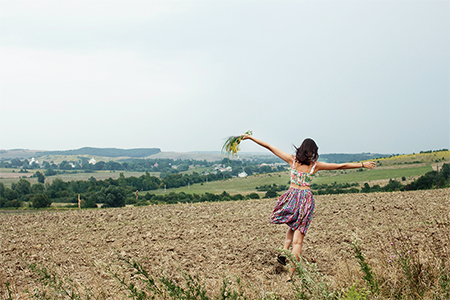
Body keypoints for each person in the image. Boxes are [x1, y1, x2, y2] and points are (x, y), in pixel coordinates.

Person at [241, 134, 376, 281]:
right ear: (312, 151)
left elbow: (269, 147)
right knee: (298, 241)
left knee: (292, 226)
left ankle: (284, 252)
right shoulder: (314, 166)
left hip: (292, 197)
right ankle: (290, 275)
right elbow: (340, 166)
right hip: (306, 199)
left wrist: (250, 137)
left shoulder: (292, 160)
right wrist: (362, 164)